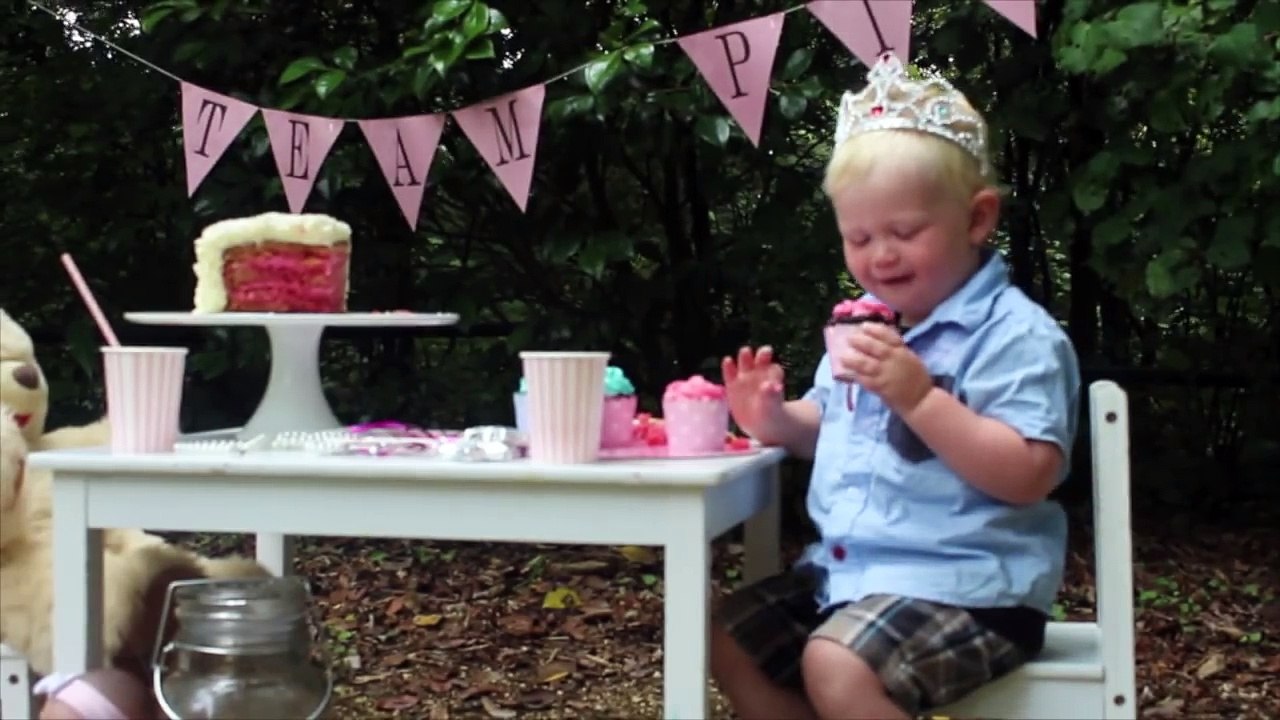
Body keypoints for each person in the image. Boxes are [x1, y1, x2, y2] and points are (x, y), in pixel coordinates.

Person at [713, 52, 1082, 720]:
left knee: (836, 662)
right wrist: (771, 419)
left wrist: (919, 398)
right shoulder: (863, 328)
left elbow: (1030, 474)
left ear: (977, 219)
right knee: (733, 636)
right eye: (858, 238)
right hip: (849, 581)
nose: (880, 256)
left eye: (904, 233)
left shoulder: (1016, 337)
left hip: (973, 589)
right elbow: (829, 423)